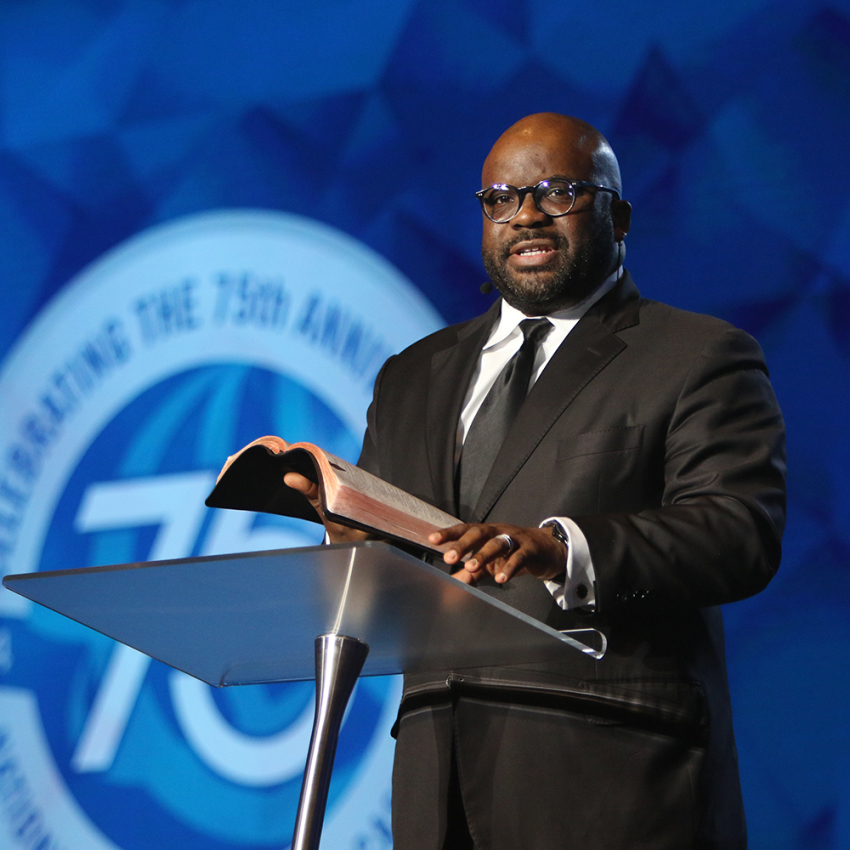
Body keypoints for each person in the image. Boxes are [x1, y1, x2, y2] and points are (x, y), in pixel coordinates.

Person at [284, 113, 786, 850]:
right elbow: (403, 578)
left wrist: (564, 548)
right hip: (436, 783)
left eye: (559, 192)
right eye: (500, 199)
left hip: (611, 779)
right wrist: (349, 539)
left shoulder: (697, 354)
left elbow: (738, 532)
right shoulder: (411, 377)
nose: (525, 215)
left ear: (619, 215)